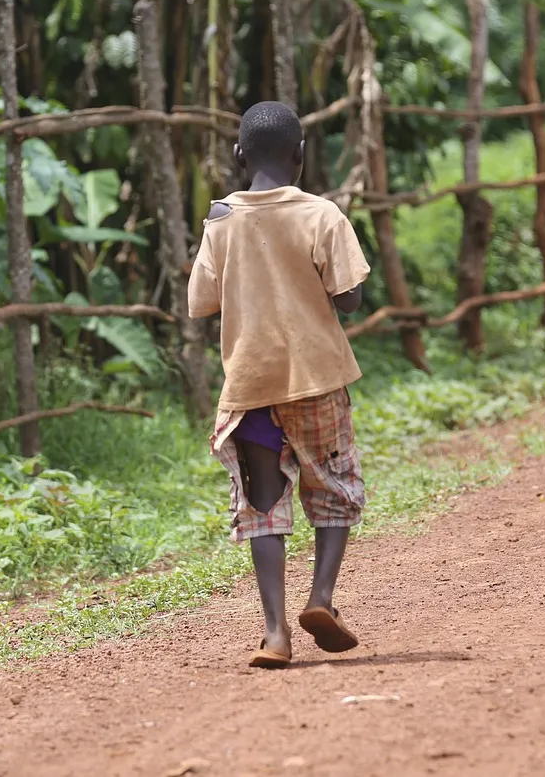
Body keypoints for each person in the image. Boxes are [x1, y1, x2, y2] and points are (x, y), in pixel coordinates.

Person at [188, 101, 371, 669]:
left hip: (252, 386)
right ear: (300, 155)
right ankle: (321, 599)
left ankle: (274, 632)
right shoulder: (322, 215)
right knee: (334, 486)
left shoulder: (220, 221)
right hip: (316, 379)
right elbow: (350, 297)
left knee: (263, 503)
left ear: (239, 156)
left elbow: (202, 303)